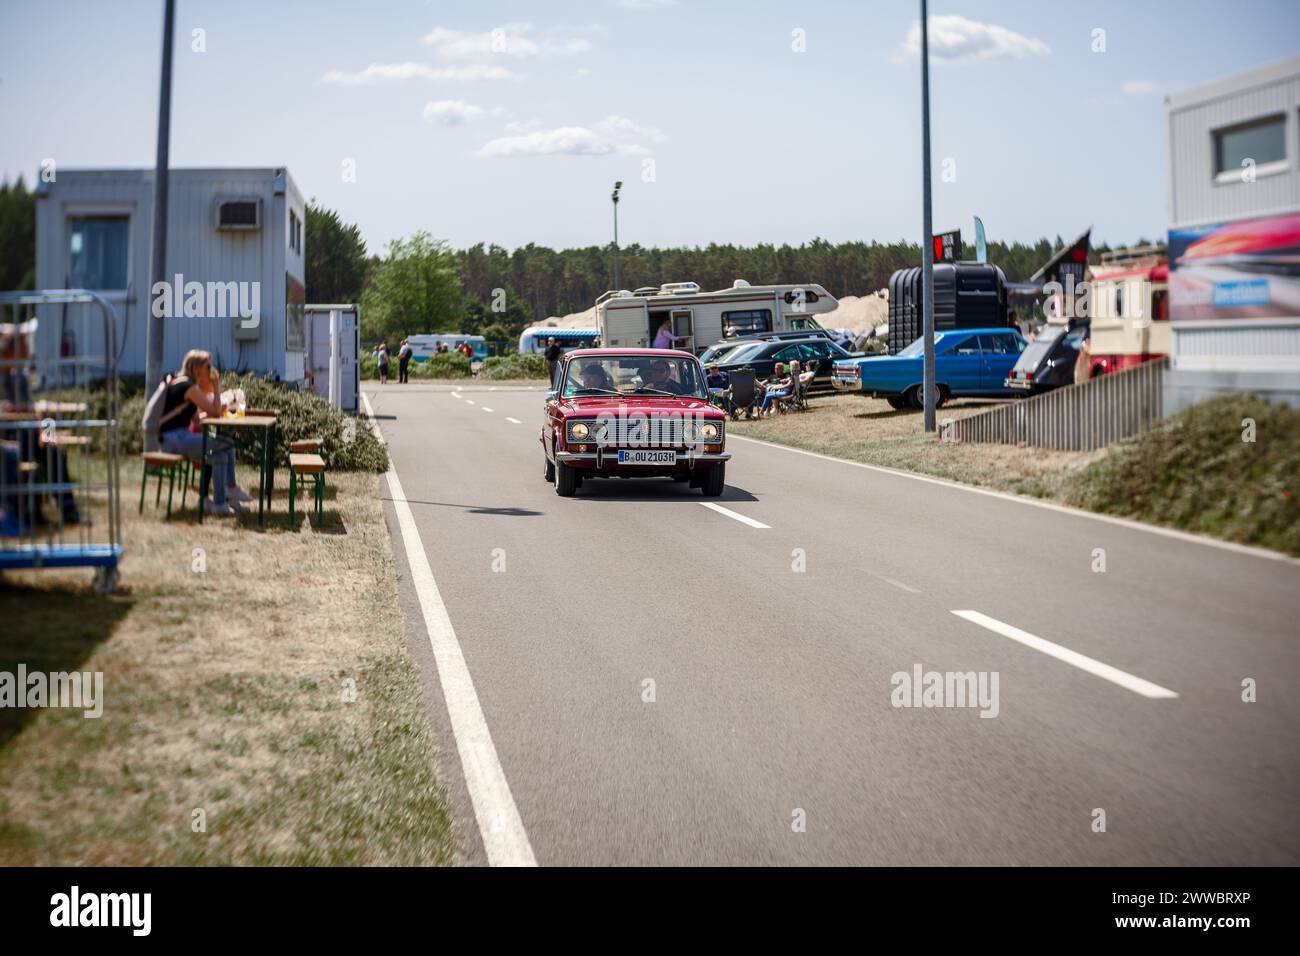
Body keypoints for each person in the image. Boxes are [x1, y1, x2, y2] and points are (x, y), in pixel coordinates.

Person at [158, 349, 252, 517]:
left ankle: (220, 503)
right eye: (208, 366)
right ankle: (230, 490)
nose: (211, 369)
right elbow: (215, 413)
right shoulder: (188, 386)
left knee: (220, 456)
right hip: (174, 439)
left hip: (173, 437)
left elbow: (195, 418)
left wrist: (210, 411)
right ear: (197, 368)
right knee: (226, 444)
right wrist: (216, 388)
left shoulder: (180, 383)